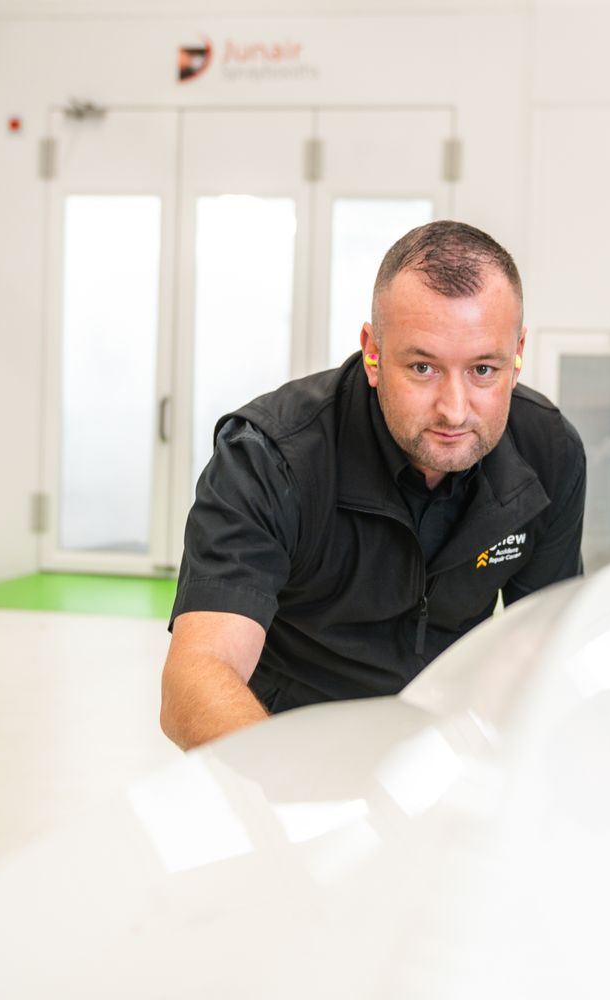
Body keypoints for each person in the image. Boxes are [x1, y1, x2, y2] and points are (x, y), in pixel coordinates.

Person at [160, 221, 587, 750]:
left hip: (439, 754)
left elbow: (541, 649)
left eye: (483, 369)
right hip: (285, 744)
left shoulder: (548, 452)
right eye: (424, 366)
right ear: (373, 352)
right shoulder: (271, 459)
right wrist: (286, 792)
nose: (455, 410)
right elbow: (197, 673)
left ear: (517, 352)